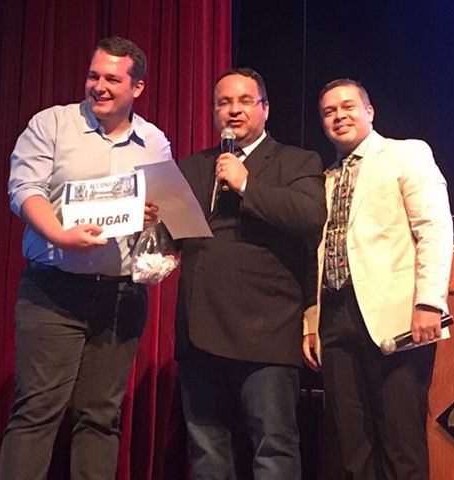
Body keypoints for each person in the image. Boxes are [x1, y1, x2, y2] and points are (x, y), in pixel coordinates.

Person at [1, 36, 172, 480]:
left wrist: (152, 215)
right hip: (52, 290)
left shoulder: (154, 142)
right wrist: (59, 234)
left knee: (100, 417)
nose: (99, 86)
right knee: (37, 412)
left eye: (112, 79)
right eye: (93, 76)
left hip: (120, 297)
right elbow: (24, 189)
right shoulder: (52, 124)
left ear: (137, 87)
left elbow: (164, 211)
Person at [175, 67, 326, 479]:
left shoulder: (297, 161)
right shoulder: (191, 166)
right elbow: (174, 237)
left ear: (265, 108)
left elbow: (310, 216)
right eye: (224, 102)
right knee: (206, 448)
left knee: (273, 446)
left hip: (266, 331)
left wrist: (247, 185)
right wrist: (154, 223)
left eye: (245, 101)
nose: (234, 110)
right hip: (199, 330)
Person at [302, 79, 454, 479]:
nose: (339, 116)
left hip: (395, 316)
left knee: (401, 440)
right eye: (329, 112)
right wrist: (312, 322)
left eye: (348, 106)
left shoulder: (406, 154)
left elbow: (434, 228)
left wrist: (429, 302)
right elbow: (316, 254)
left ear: (369, 111)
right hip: (336, 317)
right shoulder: (324, 177)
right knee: (352, 446)